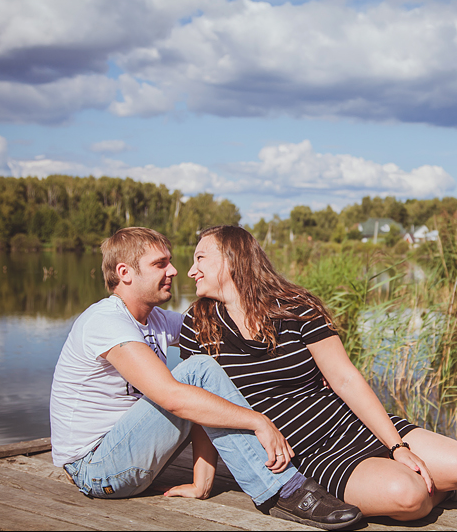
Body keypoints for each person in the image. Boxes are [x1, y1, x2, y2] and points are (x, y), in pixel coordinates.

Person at [49, 227, 362, 530]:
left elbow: (217, 323)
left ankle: (274, 482)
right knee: (198, 369)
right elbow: (172, 396)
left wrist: (310, 361)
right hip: (95, 469)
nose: (174, 270)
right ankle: (284, 490)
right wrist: (257, 421)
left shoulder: (155, 320)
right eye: (160, 264)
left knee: (204, 360)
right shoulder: (106, 321)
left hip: (131, 454)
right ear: (125, 273)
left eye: (170, 261)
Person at [179, 225, 457, 522]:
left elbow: (345, 378)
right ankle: (438, 491)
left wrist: (396, 447)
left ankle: (451, 484)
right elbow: (203, 410)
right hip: (304, 451)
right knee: (409, 496)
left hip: (347, 422)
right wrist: (201, 481)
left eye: (200, 258)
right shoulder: (197, 324)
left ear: (232, 260)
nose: (192, 270)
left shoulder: (296, 306)